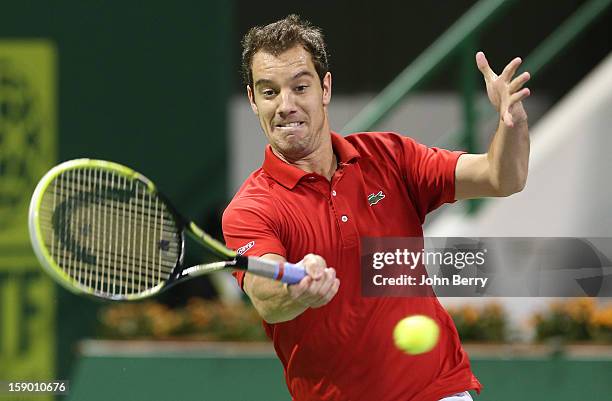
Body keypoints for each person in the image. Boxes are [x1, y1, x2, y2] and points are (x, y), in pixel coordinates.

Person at [222, 14, 530, 401]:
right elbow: (267, 299)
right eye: (269, 92)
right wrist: (299, 287)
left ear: (325, 88)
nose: (286, 105)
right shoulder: (251, 208)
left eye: (300, 87)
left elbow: (502, 177)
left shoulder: (389, 156)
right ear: (252, 100)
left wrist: (511, 123)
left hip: (438, 390)